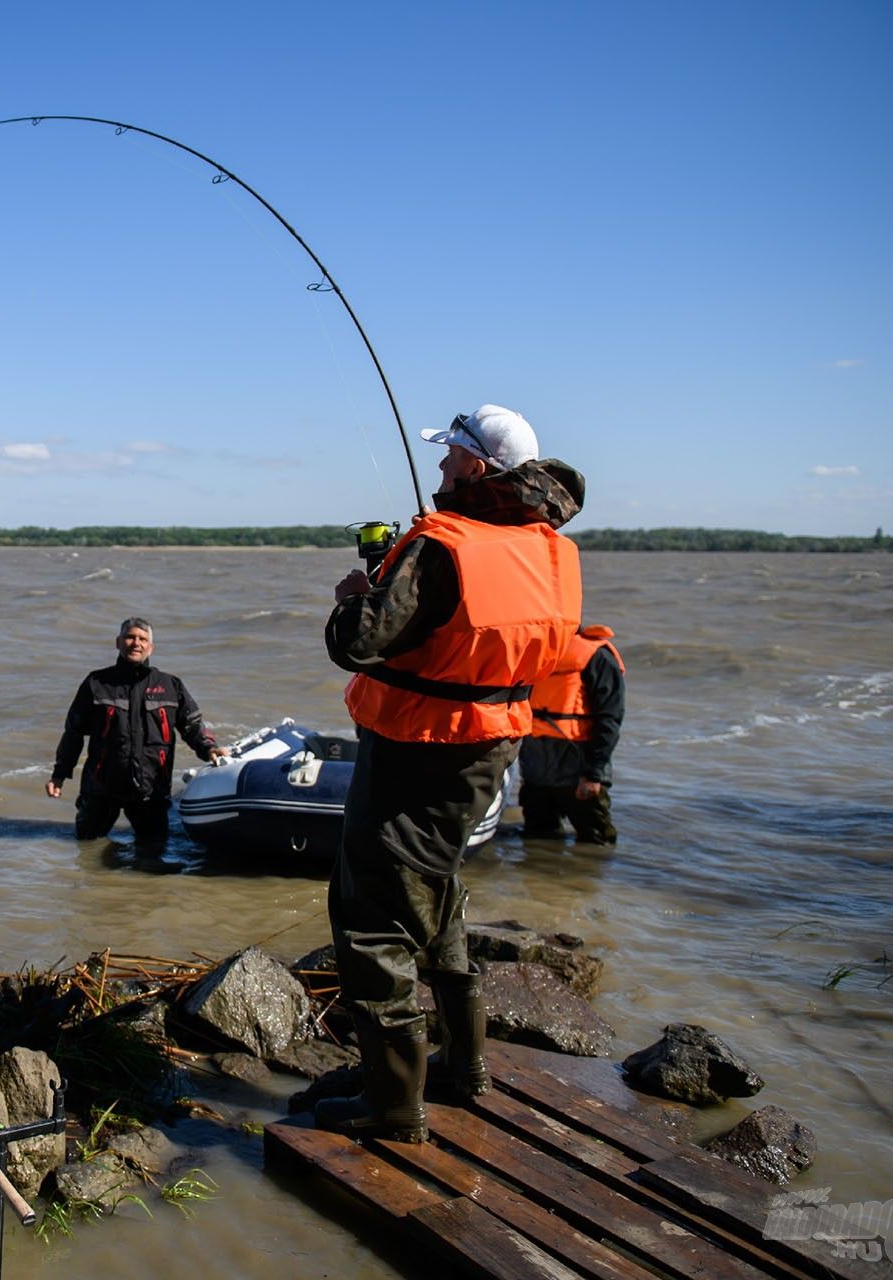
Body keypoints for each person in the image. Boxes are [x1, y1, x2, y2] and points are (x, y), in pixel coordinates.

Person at [315, 404, 584, 1142]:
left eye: (449, 457)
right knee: (436, 889)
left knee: (372, 919)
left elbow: (361, 642)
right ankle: (465, 1069)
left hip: (417, 746)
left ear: (476, 465)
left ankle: (395, 1108)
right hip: (490, 747)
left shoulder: (442, 544)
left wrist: (351, 600)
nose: (438, 469)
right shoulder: (550, 547)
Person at [46, 617, 227, 843]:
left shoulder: (170, 685)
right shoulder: (96, 683)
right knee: (87, 850)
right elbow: (73, 732)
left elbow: (192, 725)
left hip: (150, 790)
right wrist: (60, 774)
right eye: (130, 637)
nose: (136, 643)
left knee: (152, 854)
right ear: (118, 642)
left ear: (151, 647)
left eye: (142, 639)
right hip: (101, 787)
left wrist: (209, 748)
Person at [520, 624, 625, 844]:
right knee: (537, 844)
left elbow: (610, 719)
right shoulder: (534, 650)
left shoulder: (598, 656)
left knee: (595, 845)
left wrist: (593, 774)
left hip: (579, 770)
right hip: (536, 768)